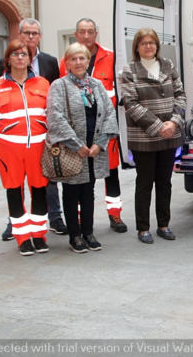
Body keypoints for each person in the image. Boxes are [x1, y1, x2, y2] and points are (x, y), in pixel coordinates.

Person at [0, 18, 67, 240]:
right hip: (16, 138)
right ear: (19, 34)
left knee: (48, 177)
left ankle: (54, 217)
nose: (30, 37)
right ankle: (15, 222)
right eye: (26, 33)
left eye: (34, 33)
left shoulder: (49, 61)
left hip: (42, 134)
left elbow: (55, 93)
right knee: (15, 182)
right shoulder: (6, 60)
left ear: (40, 36)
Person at [47, 43, 119, 253]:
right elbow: (55, 116)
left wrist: (100, 143)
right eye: (73, 59)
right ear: (67, 63)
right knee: (71, 192)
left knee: (88, 191)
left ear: (88, 61)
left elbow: (109, 114)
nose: (78, 62)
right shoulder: (58, 86)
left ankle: (88, 232)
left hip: (93, 149)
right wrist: (76, 144)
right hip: (72, 149)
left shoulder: (96, 85)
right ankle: (75, 236)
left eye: (82, 58)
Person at [59, 18, 127, 233]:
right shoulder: (66, 60)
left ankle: (115, 215)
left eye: (90, 31)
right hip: (79, 131)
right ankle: (79, 219)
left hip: (105, 130)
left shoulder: (111, 57)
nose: (86, 35)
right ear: (76, 34)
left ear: (96, 33)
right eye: (82, 32)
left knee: (111, 172)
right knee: (79, 176)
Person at [120, 28, 186, 244]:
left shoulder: (168, 66)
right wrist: (158, 126)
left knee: (165, 182)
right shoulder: (129, 70)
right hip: (144, 136)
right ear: (137, 47)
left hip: (169, 133)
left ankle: (164, 225)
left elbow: (180, 95)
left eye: (152, 42)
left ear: (157, 45)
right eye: (143, 43)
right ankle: (143, 228)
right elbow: (130, 104)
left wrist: (174, 122)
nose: (148, 46)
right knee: (145, 182)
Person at [0, 39, 50, 256]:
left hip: (39, 147)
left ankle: (39, 234)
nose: (20, 57)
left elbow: (50, 115)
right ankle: (22, 237)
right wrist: (5, 139)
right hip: (10, 150)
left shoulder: (43, 84)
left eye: (24, 54)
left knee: (40, 190)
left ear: (30, 58)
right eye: (15, 54)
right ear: (8, 59)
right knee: (14, 192)